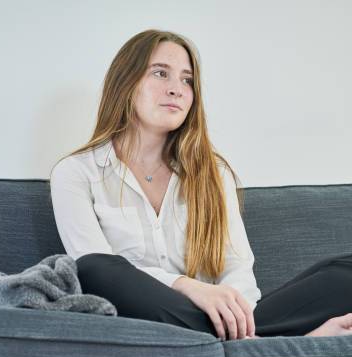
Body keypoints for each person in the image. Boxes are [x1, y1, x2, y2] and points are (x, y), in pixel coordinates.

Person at [50, 29, 352, 341]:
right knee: (95, 269)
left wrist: (237, 316)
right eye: (160, 73)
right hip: (142, 314)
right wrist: (190, 287)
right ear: (125, 83)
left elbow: (237, 268)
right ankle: (273, 345)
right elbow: (93, 270)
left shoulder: (213, 173)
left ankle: (240, 342)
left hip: (225, 319)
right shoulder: (75, 173)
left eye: (187, 80)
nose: (176, 89)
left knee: (345, 271)